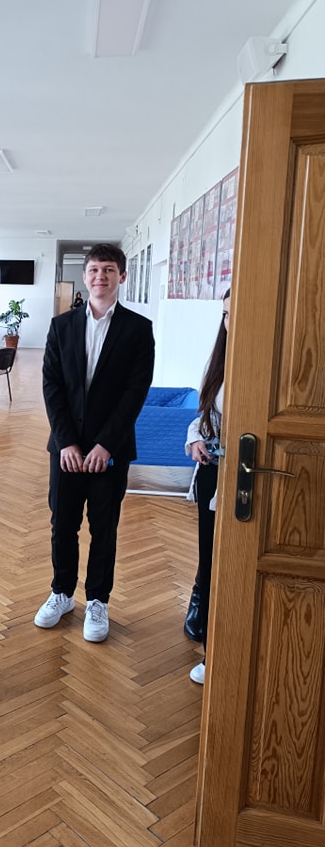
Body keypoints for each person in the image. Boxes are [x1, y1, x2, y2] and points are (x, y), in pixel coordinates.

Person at [36, 243, 155, 641]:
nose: (100, 276)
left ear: (122, 276)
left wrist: (106, 444)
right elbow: (52, 386)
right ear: (85, 277)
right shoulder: (62, 326)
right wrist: (67, 442)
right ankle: (61, 593)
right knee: (62, 524)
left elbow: (135, 393)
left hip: (111, 449)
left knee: (104, 527)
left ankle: (98, 600)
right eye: (94, 270)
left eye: (108, 270)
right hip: (66, 449)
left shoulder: (138, 329)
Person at [184, 288, 230, 684]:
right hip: (213, 470)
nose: (231, 321)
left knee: (234, 556)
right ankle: (201, 598)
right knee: (209, 548)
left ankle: (219, 645)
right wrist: (196, 438)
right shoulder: (219, 362)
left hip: (245, 471)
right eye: (226, 314)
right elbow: (205, 414)